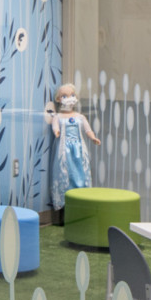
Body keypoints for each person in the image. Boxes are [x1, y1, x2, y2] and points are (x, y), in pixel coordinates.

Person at [50, 82, 99, 213]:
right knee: (65, 174)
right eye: (65, 96)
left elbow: (88, 130)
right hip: (64, 151)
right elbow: (55, 127)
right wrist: (57, 132)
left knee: (81, 173)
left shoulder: (80, 117)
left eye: (72, 95)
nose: (69, 98)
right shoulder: (58, 117)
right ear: (58, 99)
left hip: (79, 150)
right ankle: (65, 206)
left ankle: (82, 203)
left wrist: (93, 137)